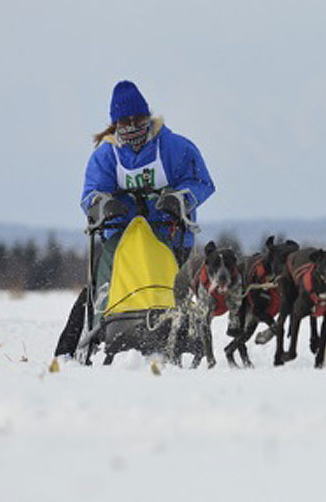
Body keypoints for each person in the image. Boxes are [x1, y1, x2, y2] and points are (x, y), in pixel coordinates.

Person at [54, 80, 215, 358]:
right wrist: (103, 206)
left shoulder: (174, 147)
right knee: (99, 291)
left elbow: (202, 181)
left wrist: (180, 199)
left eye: (138, 120)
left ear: (147, 117)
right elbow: (90, 194)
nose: (132, 128)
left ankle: (183, 337)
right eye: (124, 123)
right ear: (115, 124)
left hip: (168, 235)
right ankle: (71, 349)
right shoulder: (106, 155)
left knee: (173, 289)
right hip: (121, 239)